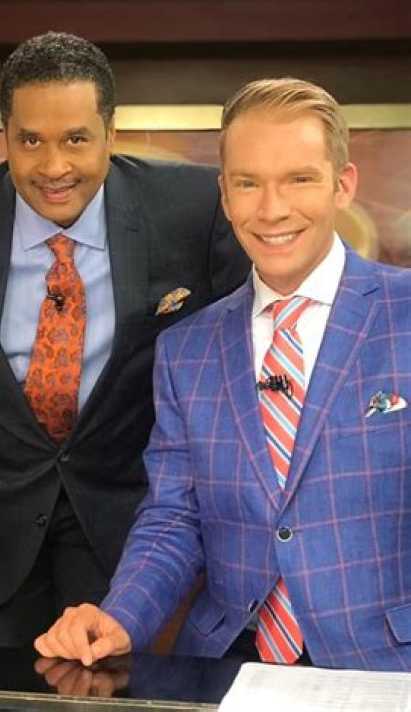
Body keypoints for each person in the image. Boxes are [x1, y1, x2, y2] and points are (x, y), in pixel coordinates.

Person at [0, 30, 250, 647]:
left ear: (111, 131)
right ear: (4, 134)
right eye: (30, 141)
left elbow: (257, 333)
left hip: (127, 531)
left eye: (76, 139)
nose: (53, 167)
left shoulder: (191, 208)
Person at [35, 77, 411, 671]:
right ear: (225, 195)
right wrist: (121, 615)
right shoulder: (186, 350)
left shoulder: (403, 314)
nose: (271, 209)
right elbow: (174, 517)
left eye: (298, 179)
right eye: (248, 183)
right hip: (229, 663)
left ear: (343, 185)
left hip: (385, 665)